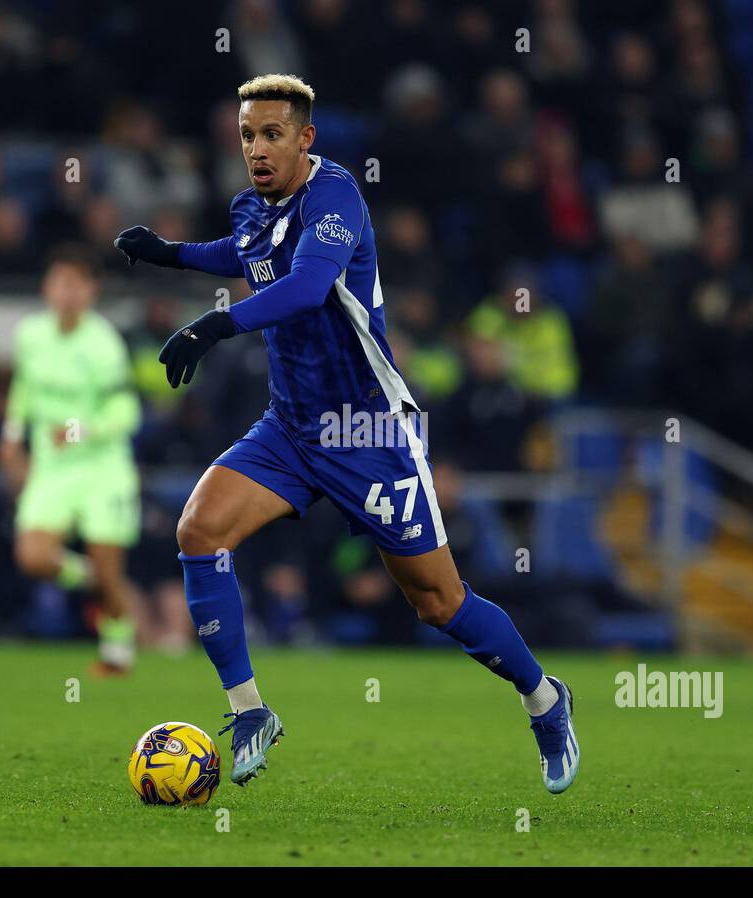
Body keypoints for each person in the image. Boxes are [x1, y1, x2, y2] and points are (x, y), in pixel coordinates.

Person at [114, 74, 577, 794]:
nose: (256, 149)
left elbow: (301, 285)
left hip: (366, 429)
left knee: (439, 603)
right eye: (246, 135)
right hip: (292, 428)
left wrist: (212, 325)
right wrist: (169, 252)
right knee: (199, 531)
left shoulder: (337, 199)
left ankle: (544, 700)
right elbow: (243, 252)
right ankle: (250, 712)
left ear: (306, 138)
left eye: (271, 134)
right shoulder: (251, 206)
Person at [0, 245, 142, 675]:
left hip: (103, 467)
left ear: (91, 292)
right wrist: (10, 435)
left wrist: (79, 430)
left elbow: (126, 413)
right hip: (52, 467)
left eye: (77, 285)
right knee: (33, 557)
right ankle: (94, 579)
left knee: (109, 561)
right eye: (60, 283)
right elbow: (23, 389)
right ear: (47, 288)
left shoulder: (104, 343)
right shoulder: (30, 335)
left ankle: (117, 650)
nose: (67, 292)